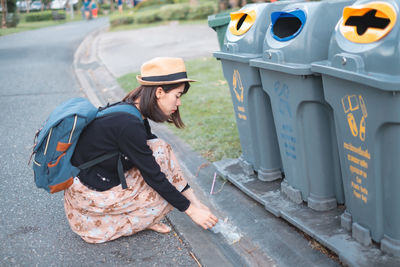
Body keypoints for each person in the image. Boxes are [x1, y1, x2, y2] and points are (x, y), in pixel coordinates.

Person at [64, 57, 219, 243]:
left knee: (160, 149)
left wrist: (196, 202)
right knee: (163, 197)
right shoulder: (128, 124)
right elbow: (153, 175)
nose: (179, 104)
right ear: (160, 92)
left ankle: (140, 215)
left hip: (98, 179)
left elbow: (158, 156)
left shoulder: (132, 109)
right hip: (89, 197)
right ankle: (136, 220)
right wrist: (191, 210)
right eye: (177, 96)